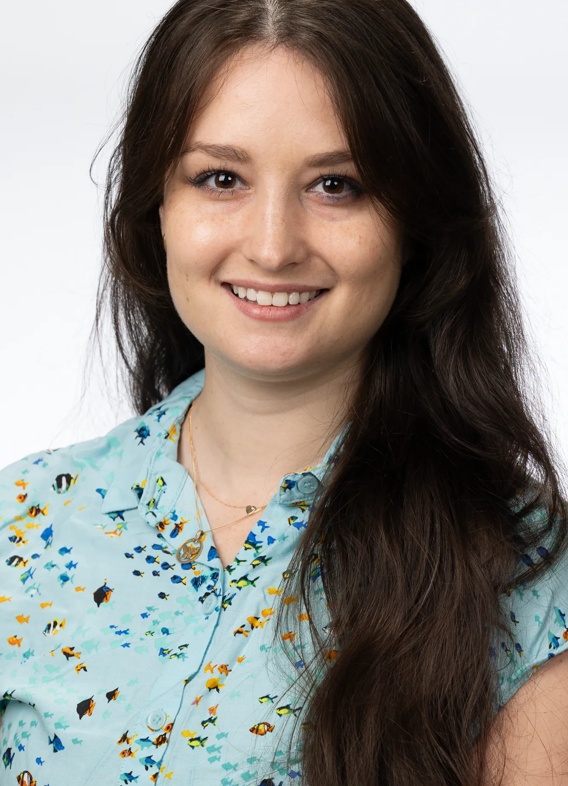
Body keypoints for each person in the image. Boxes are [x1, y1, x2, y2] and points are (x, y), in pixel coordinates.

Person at [1, 0, 567, 784]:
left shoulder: (528, 566)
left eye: (336, 185)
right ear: (155, 207)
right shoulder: (21, 525)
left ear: (418, 224)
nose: (272, 245)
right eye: (221, 178)